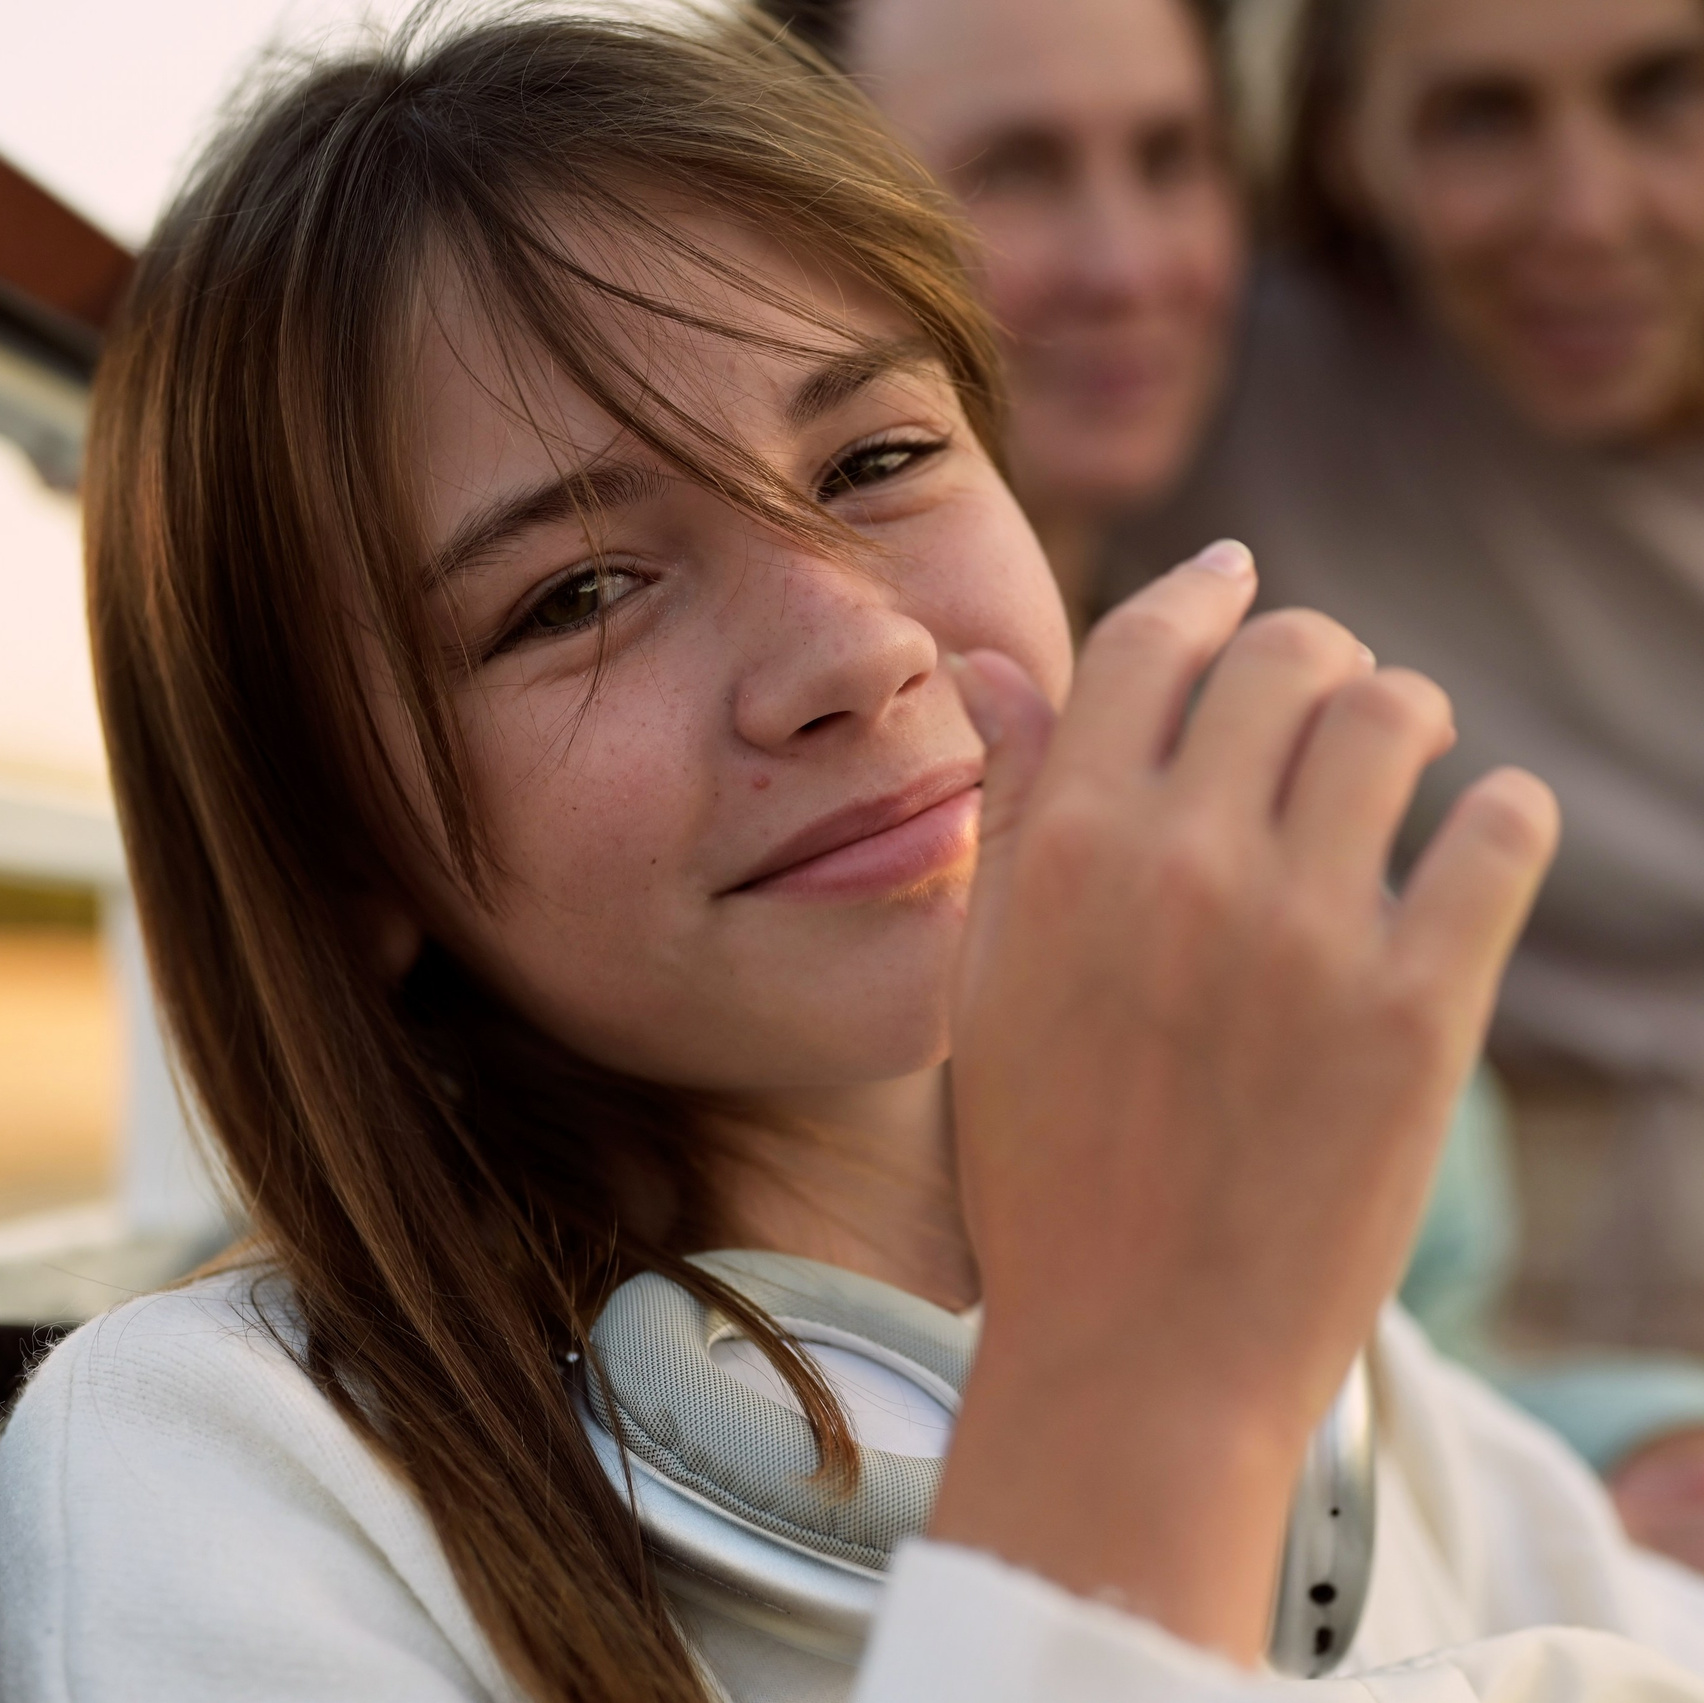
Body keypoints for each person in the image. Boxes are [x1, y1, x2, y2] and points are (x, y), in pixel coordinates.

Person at [1, 7, 1702, 1700]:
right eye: (575, 595)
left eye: (881, 457)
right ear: (336, 852)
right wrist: (1148, 1421)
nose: (853, 648)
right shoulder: (214, 1460)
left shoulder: (1337, 1357)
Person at [758, 0, 1704, 1559]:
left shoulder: (1209, 689)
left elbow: (1408, 1347)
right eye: (1015, 170)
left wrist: (1620, 1446)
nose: (1129, 267)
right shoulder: (836, 791)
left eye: (1173, 160)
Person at [1102, 0, 1704, 1566]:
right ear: (1345, 140)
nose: (1588, 214)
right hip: (1479, 1347)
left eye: (1669, 89)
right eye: (1480, 120)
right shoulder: (1226, 397)